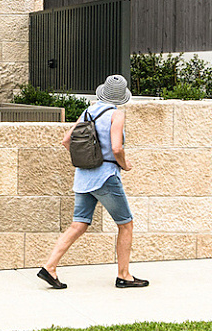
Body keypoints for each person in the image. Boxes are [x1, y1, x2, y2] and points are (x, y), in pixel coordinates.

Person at [37, 74, 149, 290]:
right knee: (126, 224)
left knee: (78, 224)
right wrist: (124, 165)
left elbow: (66, 140)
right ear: (120, 97)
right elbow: (117, 148)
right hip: (105, 177)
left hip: (83, 177)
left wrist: (87, 160)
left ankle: (49, 267)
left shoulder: (88, 111)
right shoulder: (117, 114)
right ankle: (124, 275)